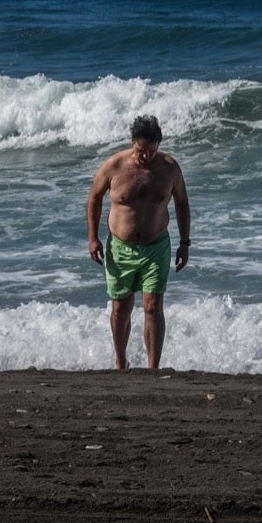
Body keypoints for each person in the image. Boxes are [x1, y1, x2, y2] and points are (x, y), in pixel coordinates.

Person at [85, 115, 191, 370]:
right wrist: (93, 238)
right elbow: (94, 199)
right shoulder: (115, 165)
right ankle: (121, 363)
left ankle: (153, 368)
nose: (146, 157)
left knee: (153, 307)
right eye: (141, 151)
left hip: (157, 247)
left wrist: (185, 242)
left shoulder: (169, 168)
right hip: (120, 248)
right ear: (133, 143)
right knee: (121, 308)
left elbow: (182, 203)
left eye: (152, 151)